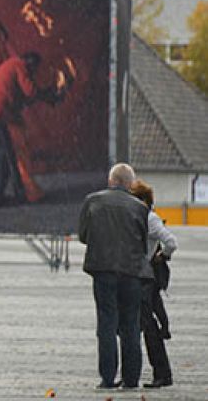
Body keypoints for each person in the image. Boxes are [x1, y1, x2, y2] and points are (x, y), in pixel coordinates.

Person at [78, 163, 151, 390]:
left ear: (110, 181)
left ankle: (107, 378)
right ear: (130, 184)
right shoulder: (140, 208)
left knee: (106, 324)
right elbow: (143, 242)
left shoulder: (92, 201)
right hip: (131, 273)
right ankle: (131, 380)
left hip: (103, 271)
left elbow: (83, 235)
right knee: (131, 325)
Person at [0, 51, 57, 206]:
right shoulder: (20, 66)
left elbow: (17, 95)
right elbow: (30, 91)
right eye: (33, 69)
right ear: (30, 62)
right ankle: (3, 196)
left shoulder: (11, 65)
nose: (32, 73)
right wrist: (46, 95)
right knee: (5, 156)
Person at [129, 180, 177, 389]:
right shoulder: (142, 217)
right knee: (146, 324)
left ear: (142, 200)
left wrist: (161, 256)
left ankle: (162, 373)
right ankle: (156, 372)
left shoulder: (150, 219)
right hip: (142, 278)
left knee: (147, 327)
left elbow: (171, 242)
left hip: (145, 279)